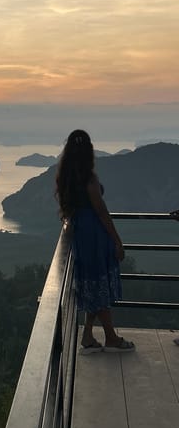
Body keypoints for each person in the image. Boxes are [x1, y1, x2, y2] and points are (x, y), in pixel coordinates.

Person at [56, 129, 135, 354]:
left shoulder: (66, 177)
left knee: (93, 285)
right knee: (98, 285)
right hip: (95, 236)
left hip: (82, 235)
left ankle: (88, 335)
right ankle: (111, 337)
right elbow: (102, 212)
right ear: (89, 151)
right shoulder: (89, 179)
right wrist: (118, 241)